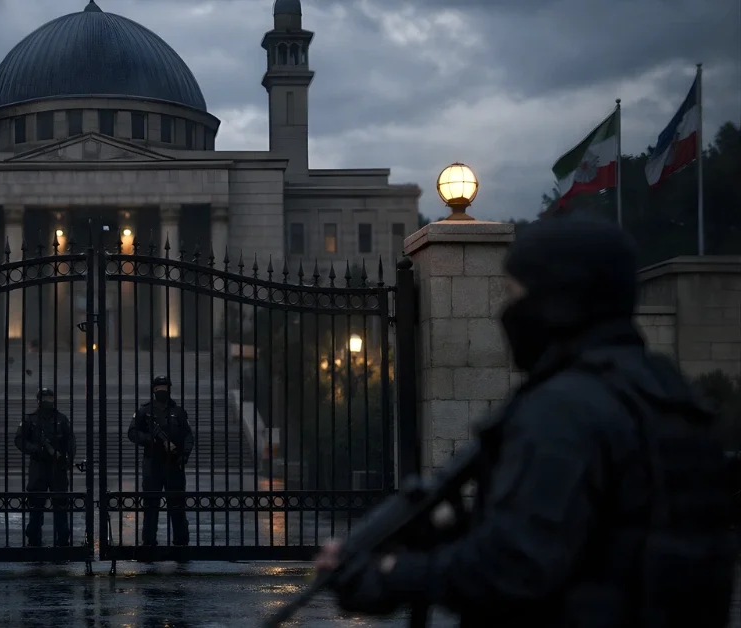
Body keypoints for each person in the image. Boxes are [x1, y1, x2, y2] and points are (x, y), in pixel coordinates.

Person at [315, 214, 736, 627]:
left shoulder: (565, 409)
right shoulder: (672, 398)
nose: (506, 311)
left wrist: (393, 575)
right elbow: (598, 541)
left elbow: (515, 567)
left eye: (513, 294)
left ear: (554, 300)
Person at [128, 375, 196, 547]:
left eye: (164, 388)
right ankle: (149, 542)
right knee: (151, 504)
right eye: (159, 388)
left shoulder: (179, 411)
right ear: (153, 389)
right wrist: (152, 439)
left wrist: (184, 454)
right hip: (153, 463)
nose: (162, 391)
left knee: (177, 505)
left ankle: (181, 542)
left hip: (174, 463)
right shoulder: (145, 411)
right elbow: (132, 433)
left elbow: (188, 435)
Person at [14, 387, 75, 547]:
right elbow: (19, 440)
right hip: (38, 466)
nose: (48, 401)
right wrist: (36, 449)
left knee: (60, 505)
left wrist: (67, 458)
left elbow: (70, 441)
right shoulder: (30, 419)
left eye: (50, 398)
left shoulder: (61, 419)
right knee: (36, 505)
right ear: (39, 400)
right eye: (45, 398)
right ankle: (33, 539)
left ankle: (62, 540)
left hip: (57, 467)